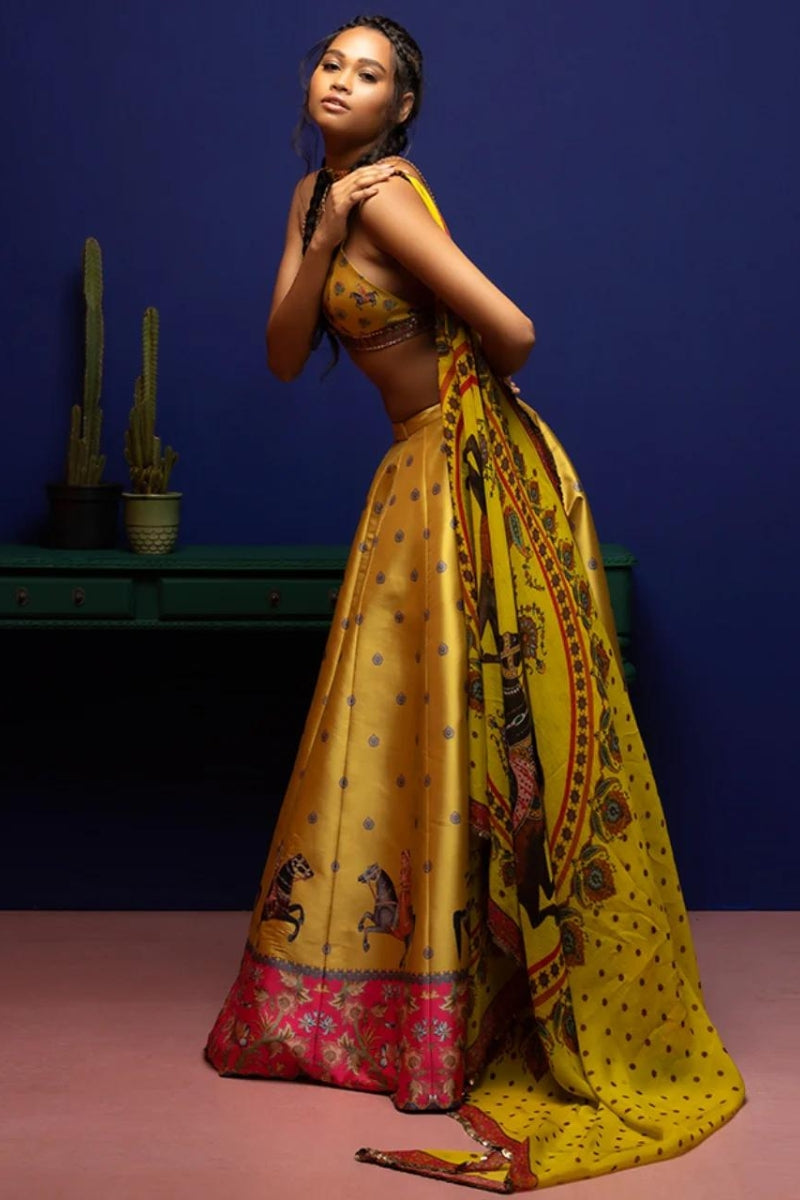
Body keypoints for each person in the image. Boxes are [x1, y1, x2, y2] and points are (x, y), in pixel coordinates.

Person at [205, 15, 744, 1191]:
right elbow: (283, 354)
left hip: (468, 474)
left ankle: (473, 1014)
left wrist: (379, 252)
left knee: (474, 737)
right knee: (407, 739)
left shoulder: (389, 195)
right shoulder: (320, 198)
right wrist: (323, 231)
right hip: (411, 477)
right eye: (331, 64)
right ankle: (405, 1009)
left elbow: (513, 334)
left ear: (399, 108)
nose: (341, 82)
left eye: (369, 74)